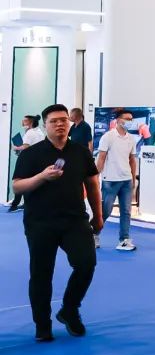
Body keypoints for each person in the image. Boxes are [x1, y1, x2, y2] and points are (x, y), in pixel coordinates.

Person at [12, 103, 103, 342]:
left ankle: (70, 309)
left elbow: (92, 184)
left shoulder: (81, 152)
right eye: (54, 121)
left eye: (64, 120)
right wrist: (42, 176)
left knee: (86, 264)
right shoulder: (31, 154)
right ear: (45, 125)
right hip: (40, 222)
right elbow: (17, 186)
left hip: (75, 220)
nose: (60, 124)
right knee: (41, 274)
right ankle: (42, 325)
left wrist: (98, 215)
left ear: (69, 123)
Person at [95, 109, 138, 251]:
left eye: (131, 119)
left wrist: (133, 178)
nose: (130, 121)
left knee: (126, 211)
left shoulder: (131, 139)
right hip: (110, 180)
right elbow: (101, 158)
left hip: (126, 180)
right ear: (118, 120)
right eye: (127, 119)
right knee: (105, 211)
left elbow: (132, 160)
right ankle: (94, 234)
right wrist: (96, 177)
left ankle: (124, 240)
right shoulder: (108, 137)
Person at [9, 115, 46, 212]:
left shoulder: (30, 133)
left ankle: (14, 205)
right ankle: (27, 204)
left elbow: (25, 147)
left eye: (24, 121)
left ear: (30, 122)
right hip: (37, 160)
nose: (22, 123)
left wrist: (16, 148)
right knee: (30, 182)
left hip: (26, 160)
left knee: (19, 181)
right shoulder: (40, 132)